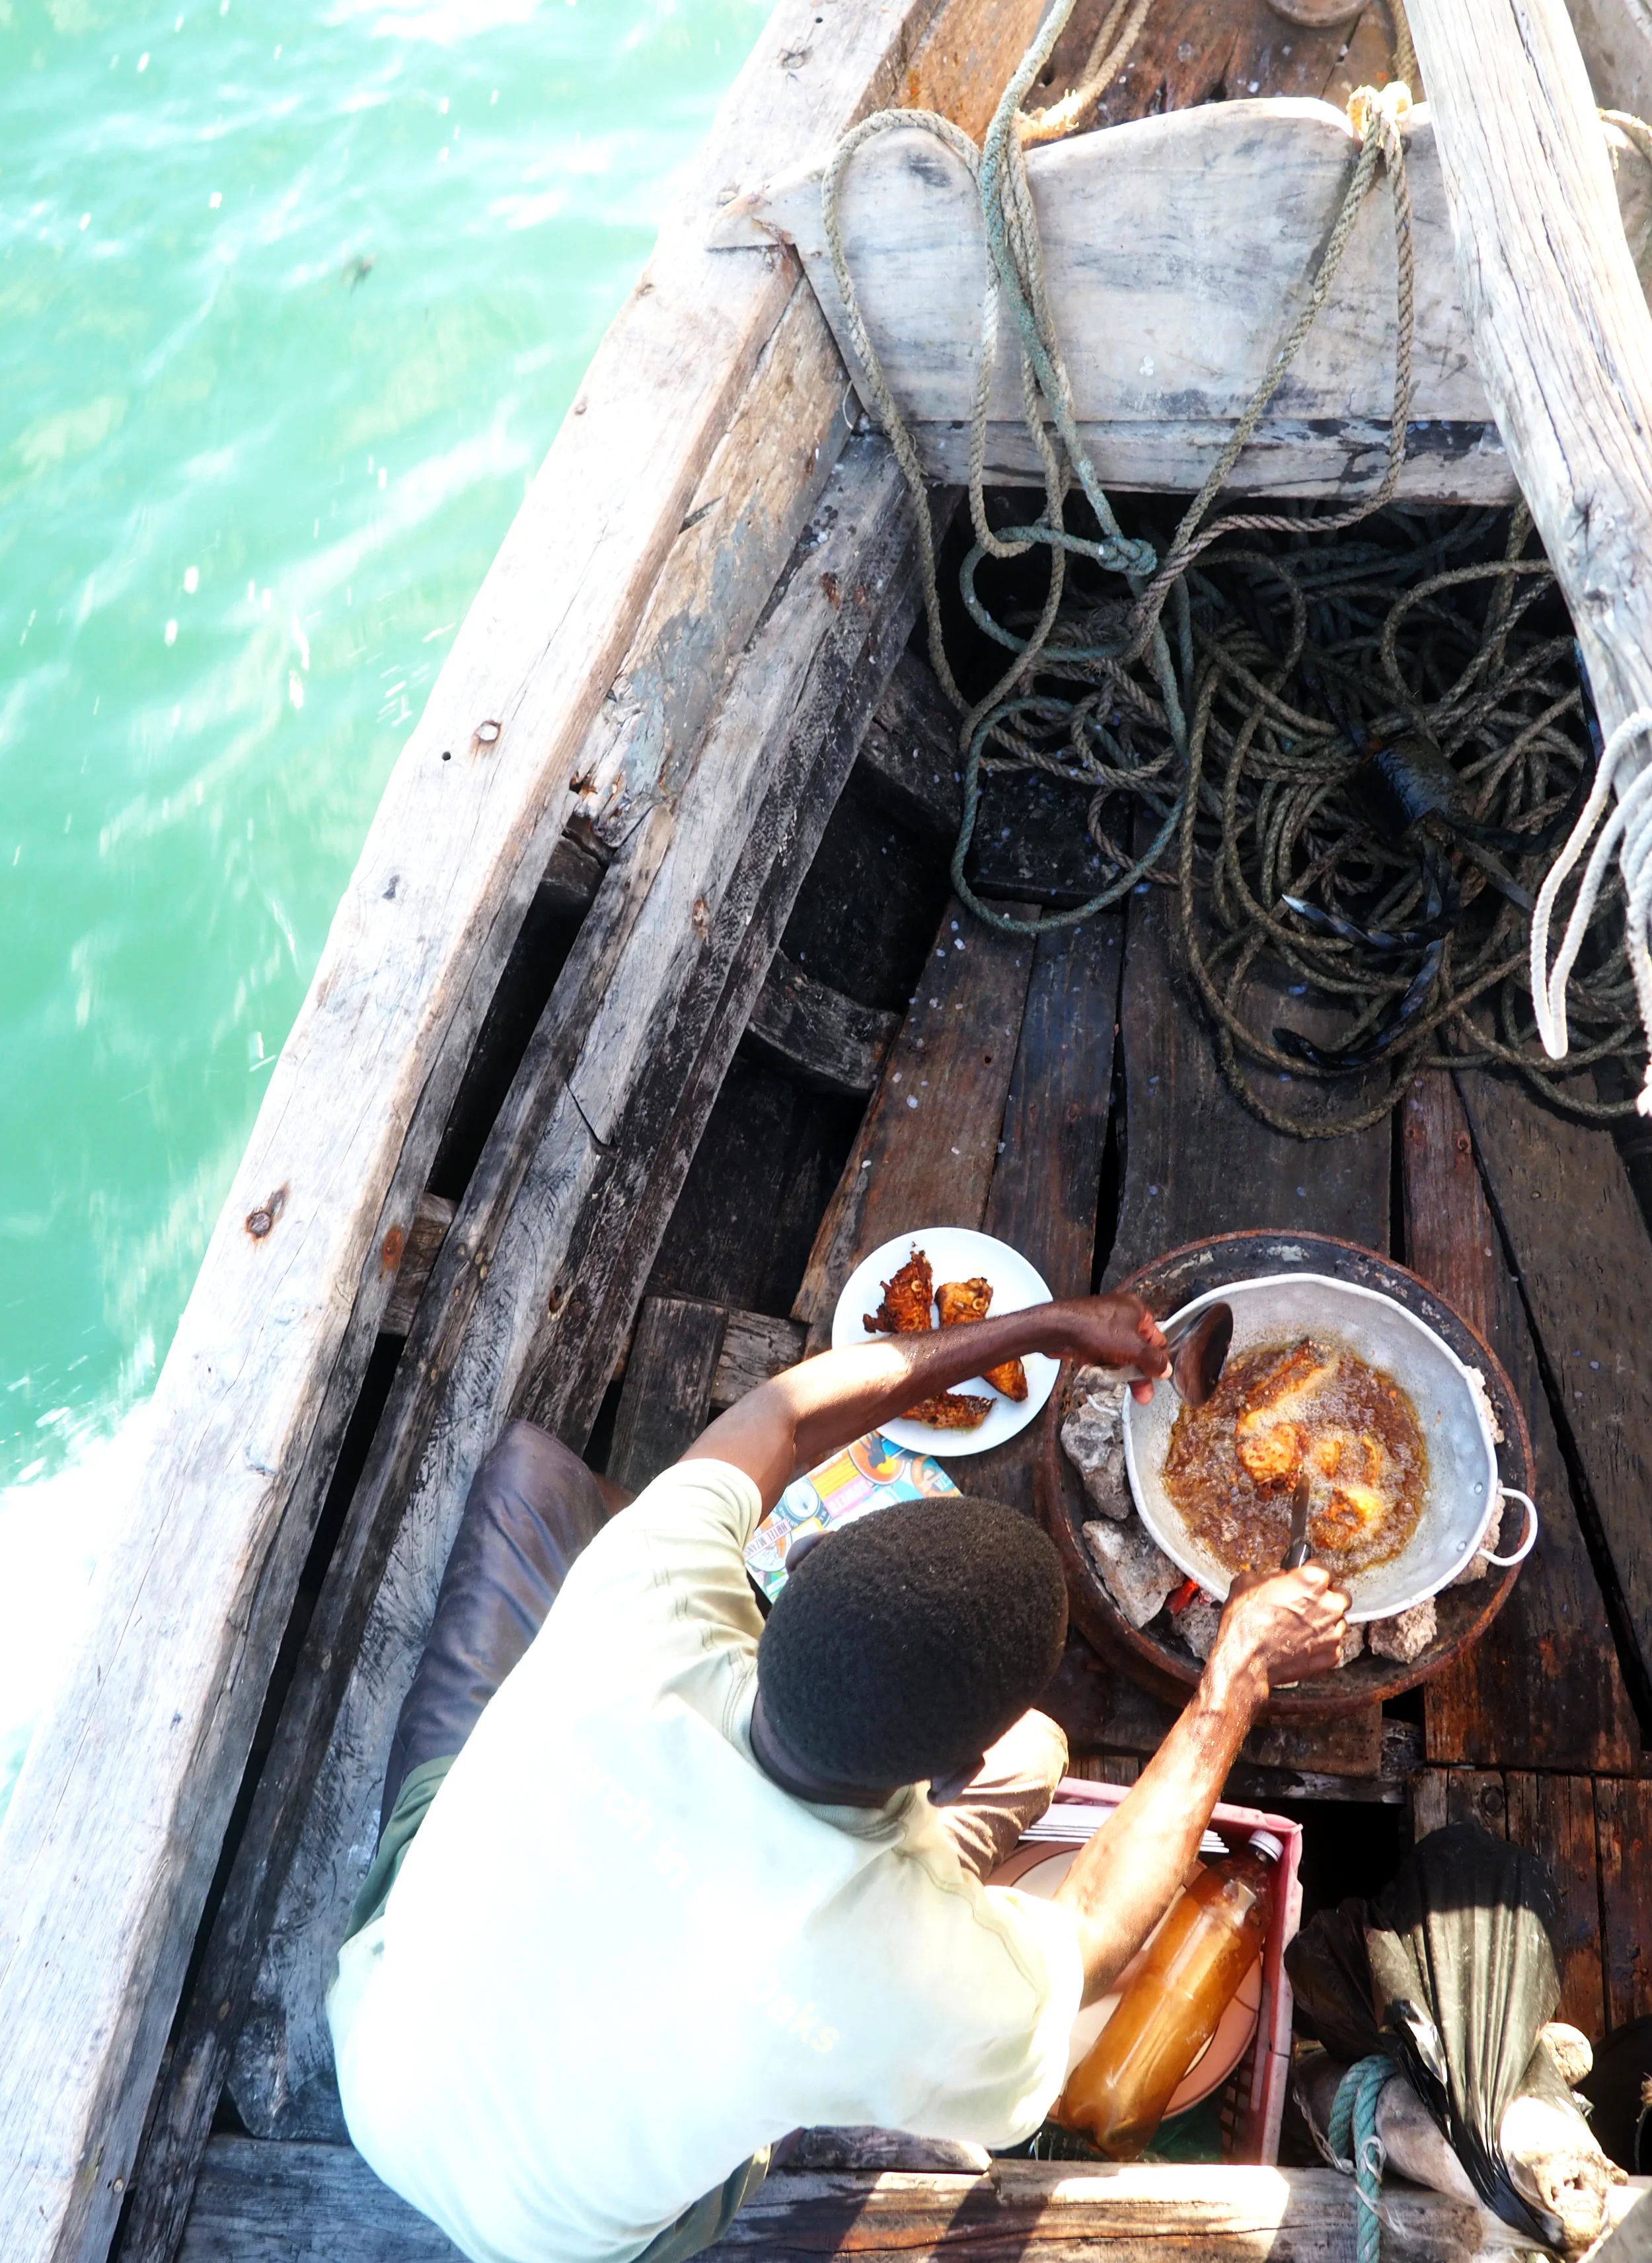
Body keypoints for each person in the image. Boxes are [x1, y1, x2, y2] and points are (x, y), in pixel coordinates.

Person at [328, 1289, 1349, 2263]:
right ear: (955, 1774)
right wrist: (1238, 1674)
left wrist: (1036, 1329)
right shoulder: (891, 1973)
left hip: (380, 2060)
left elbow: (780, 1416)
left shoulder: (650, 1585)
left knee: (528, 1476)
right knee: (1042, 1753)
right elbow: (1089, 1941)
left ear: (797, 1563)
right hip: (552, 2244)